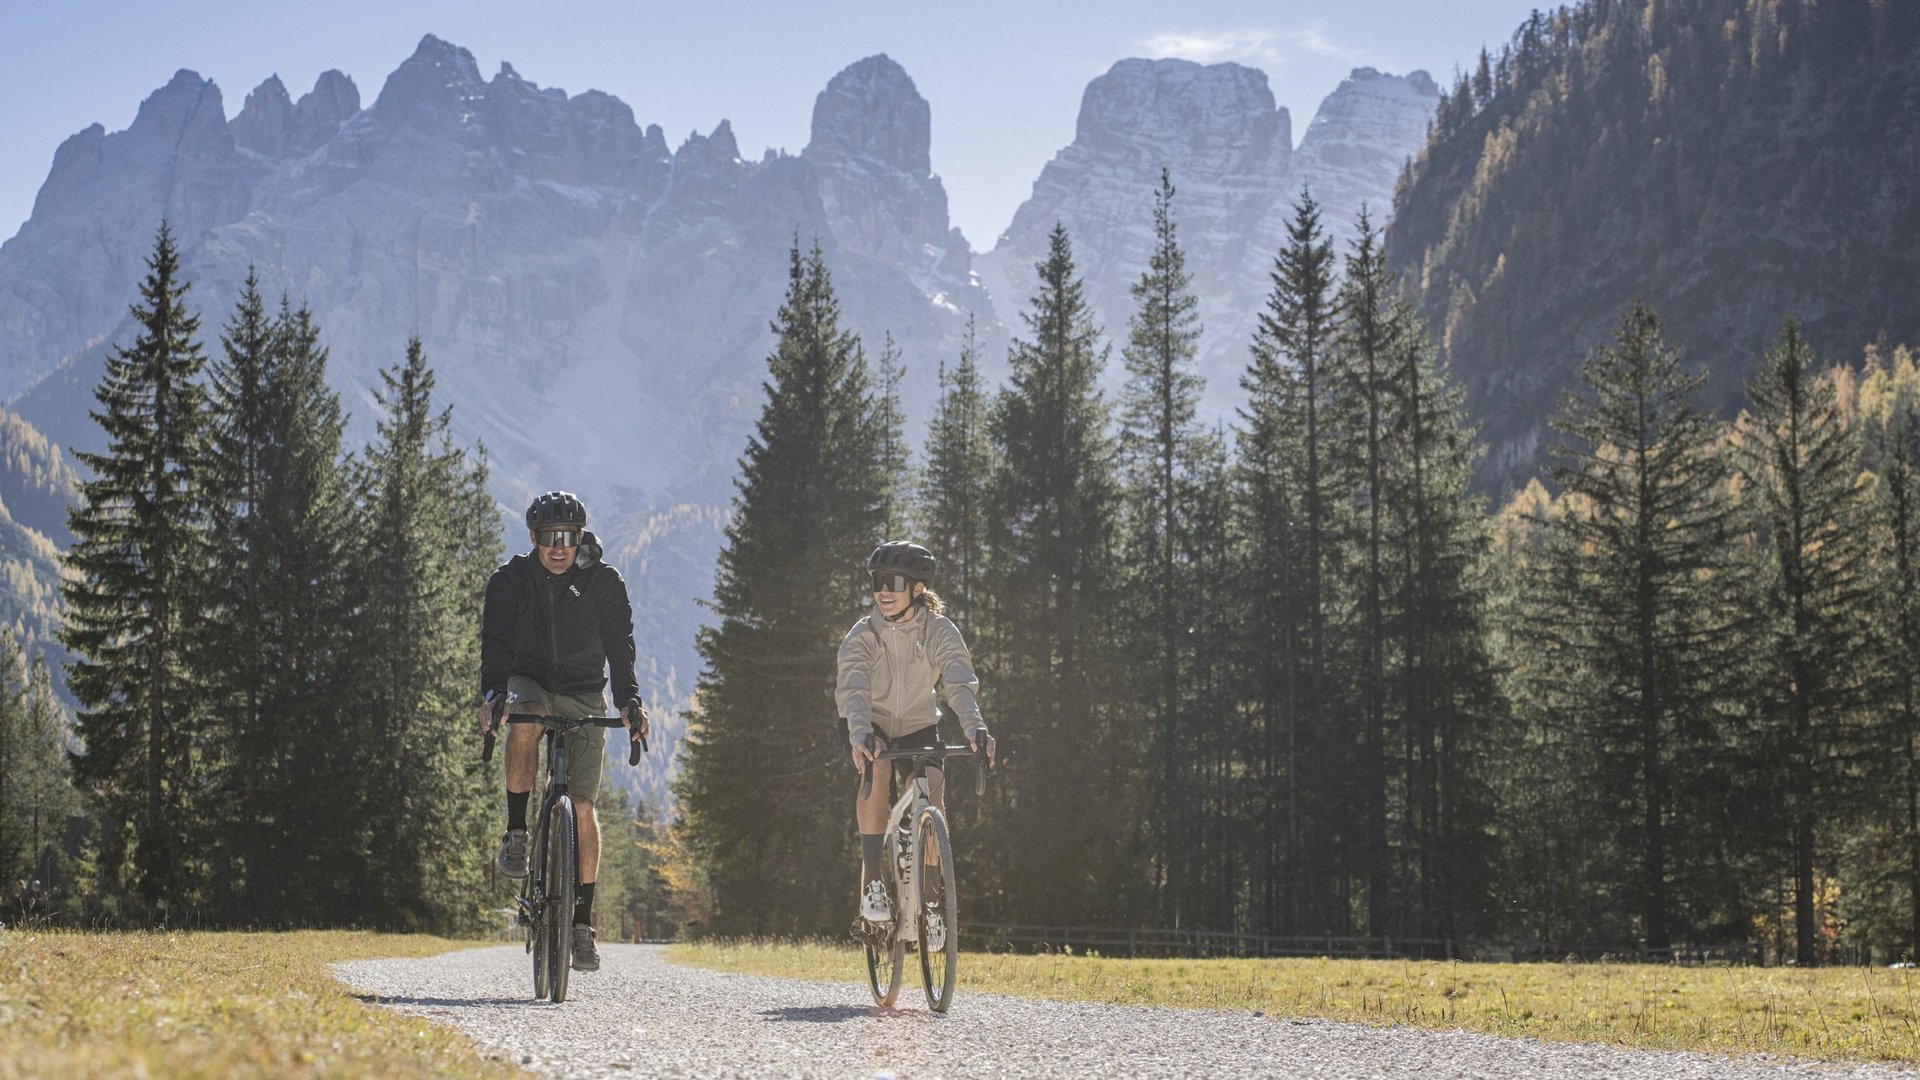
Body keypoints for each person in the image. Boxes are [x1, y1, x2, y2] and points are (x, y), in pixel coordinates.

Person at [477, 490, 649, 973]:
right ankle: (516, 830)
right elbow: (495, 641)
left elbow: (620, 646)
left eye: (568, 538)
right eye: (549, 538)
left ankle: (582, 924)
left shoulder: (604, 582)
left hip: (584, 690)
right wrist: (493, 694)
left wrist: (629, 702)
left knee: (585, 806)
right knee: (526, 718)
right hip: (527, 679)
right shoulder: (510, 581)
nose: (558, 548)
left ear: (580, 538)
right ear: (533, 538)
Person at [835, 541, 996, 943]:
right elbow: (853, 688)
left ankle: (932, 899)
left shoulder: (939, 631)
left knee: (932, 794)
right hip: (870, 723)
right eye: (876, 583)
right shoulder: (864, 634)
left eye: (892, 583)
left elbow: (959, 684)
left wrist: (975, 729)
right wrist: (859, 733)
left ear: (918, 589)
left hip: (921, 725)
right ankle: (873, 882)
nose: (882, 591)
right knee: (880, 765)